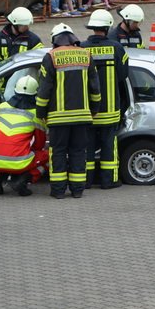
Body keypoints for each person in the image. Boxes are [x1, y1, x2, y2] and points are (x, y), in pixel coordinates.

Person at [37, 23, 101, 199]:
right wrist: (94, 109)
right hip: (81, 117)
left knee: (57, 152)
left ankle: (58, 191)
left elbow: (44, 90)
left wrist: (40, 113)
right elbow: (95, 87)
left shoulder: (51, 57)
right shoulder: (86, 55)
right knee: (78, 152)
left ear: (55, 40)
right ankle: (77, 190)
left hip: (58, 119)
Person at [83, 9, 129, 189]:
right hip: (110, 110)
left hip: (89, 110)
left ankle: (85, 181)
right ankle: (108, 181)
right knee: (109, 148)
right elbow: (123, 75)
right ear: (108, 26)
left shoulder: (82, 48)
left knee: (87, 148)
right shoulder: (117, 48)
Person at [0, 75, 48, 196]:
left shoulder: (1, 108)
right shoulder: (35, 114)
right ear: (35, 94)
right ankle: (23, 180)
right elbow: (40, 144)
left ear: (15, 90)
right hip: (20, 162)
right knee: (48, 156)